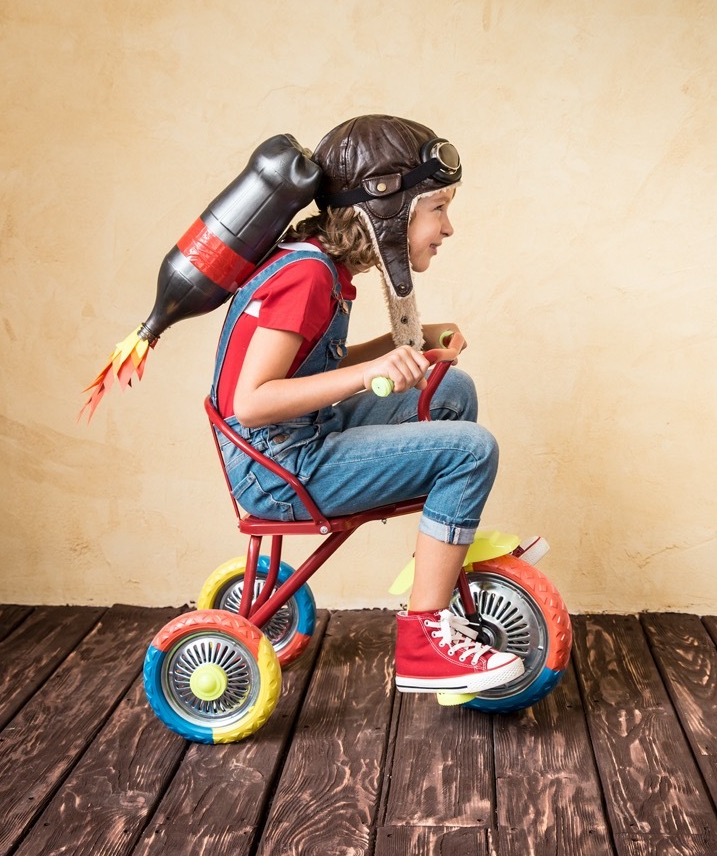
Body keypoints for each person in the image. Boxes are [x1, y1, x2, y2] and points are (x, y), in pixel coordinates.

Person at [210, 114, 523, 696]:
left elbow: (309, 369)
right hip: (282, 470)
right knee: (471, 452)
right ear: (387, 212)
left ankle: (438, 564)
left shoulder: (320, 266)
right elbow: (250, 403)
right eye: (438, 208)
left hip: (297, 439)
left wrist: (403, 344)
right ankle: (424, 641)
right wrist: (370, 373)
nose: (448, 227)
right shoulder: (307, 276)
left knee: (454, 391)